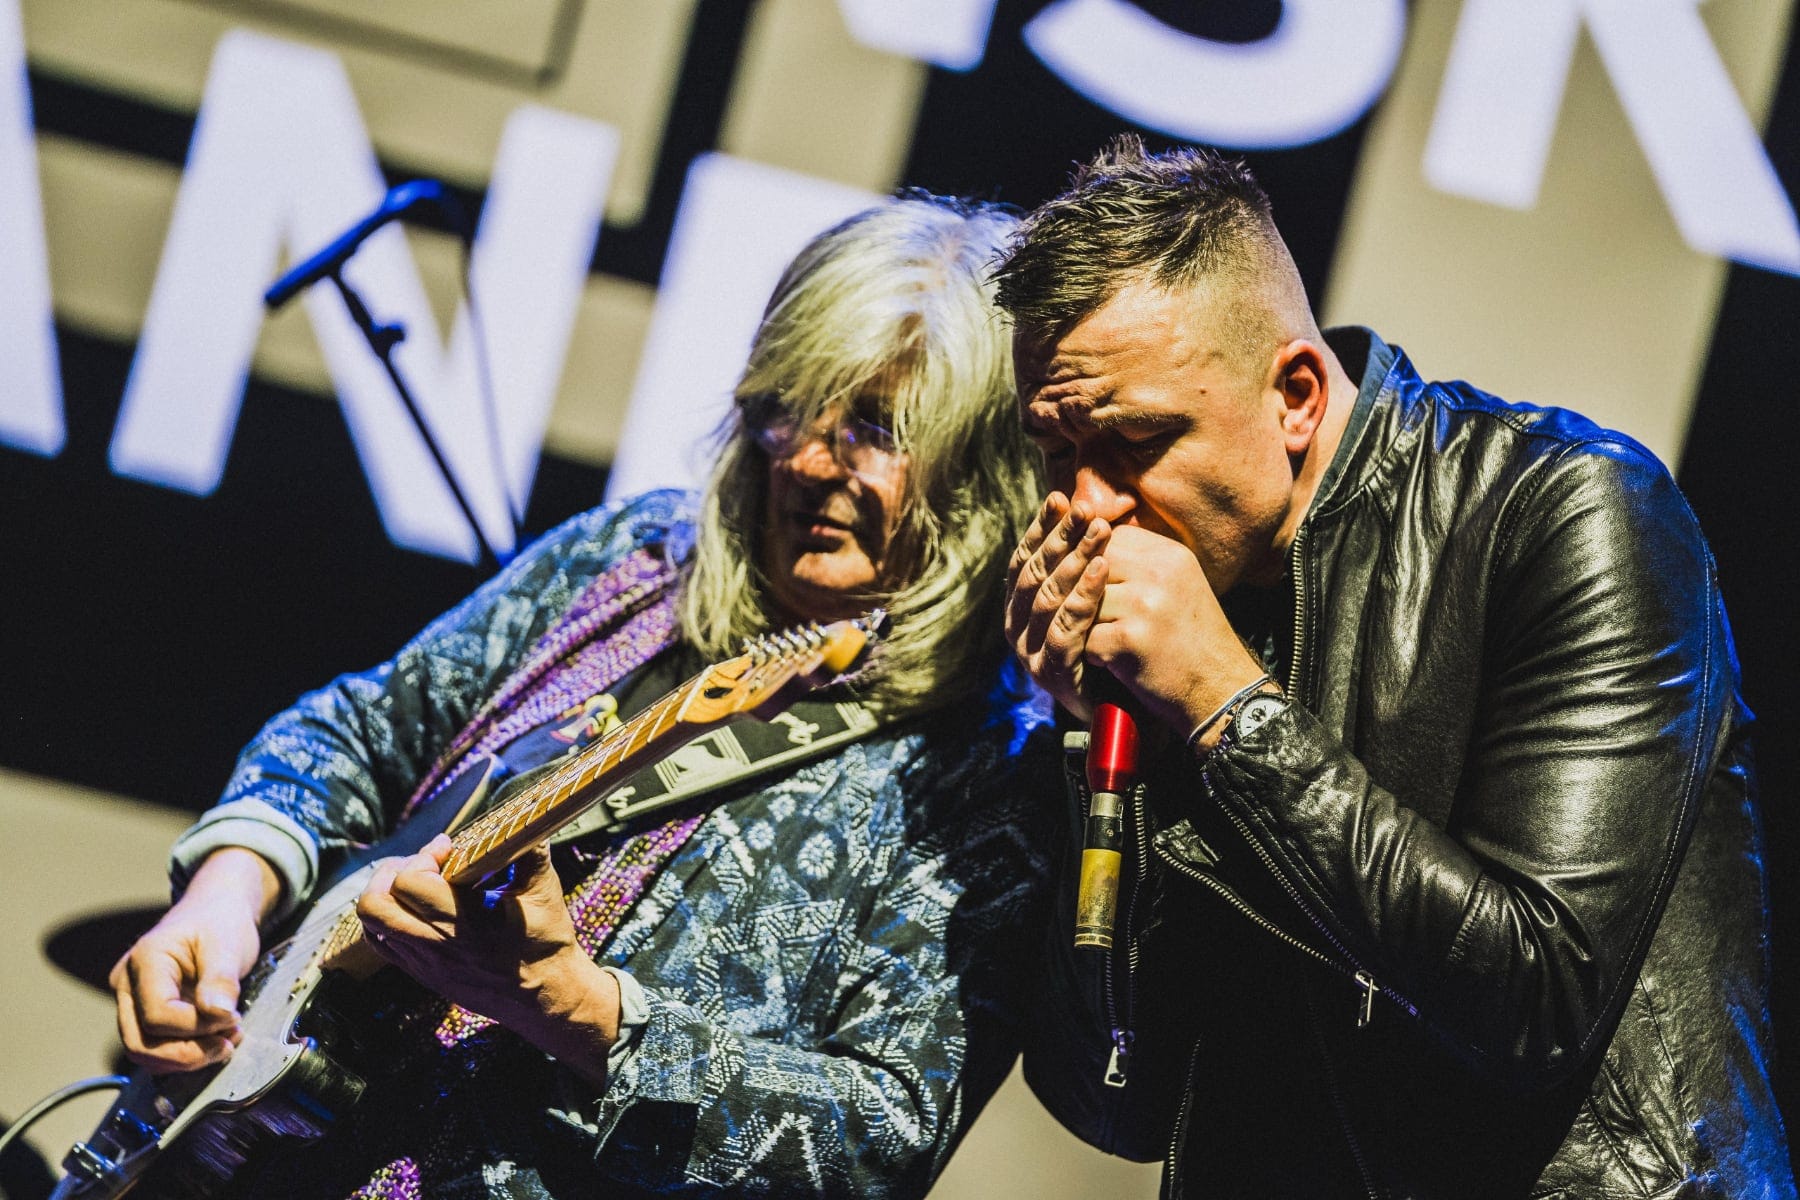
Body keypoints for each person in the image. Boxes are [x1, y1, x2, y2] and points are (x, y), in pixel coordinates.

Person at [108, 193, 1054, 1199]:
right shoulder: (634, 557)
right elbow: (360, 728)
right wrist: (224, 896)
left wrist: (577, 1010)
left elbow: (886, 1135)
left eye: (875, 426)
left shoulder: (990, 782)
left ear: (984, 463)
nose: (808, 463)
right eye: (789, 407)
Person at [998, 137, 1794, 1198]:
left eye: (1136, 441)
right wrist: (1084, 745)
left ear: (1294, 395)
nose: (1086, 505)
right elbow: (1115, 1100)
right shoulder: (1160, 639)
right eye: (1055, 449)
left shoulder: (1564, 513)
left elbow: (1537, 997)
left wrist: (1229, 709)